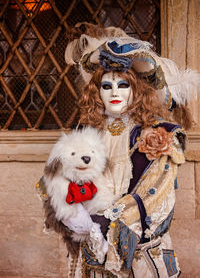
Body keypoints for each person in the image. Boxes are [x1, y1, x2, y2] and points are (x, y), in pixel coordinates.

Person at [40, 24, 200, 277]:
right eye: (106, 86)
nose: (114, 92)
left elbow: (156, 195)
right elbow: (59, 176)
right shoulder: (87, 131)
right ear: (97, 91)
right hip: (92, 251)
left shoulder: (161, 134)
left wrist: (103, 221)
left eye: (123, 85)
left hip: (137, 253)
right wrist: (67, 206)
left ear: (137, 89)